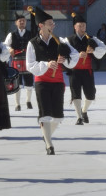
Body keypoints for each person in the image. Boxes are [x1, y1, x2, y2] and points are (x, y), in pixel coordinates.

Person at [26, 8, 73, 155]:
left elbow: (73, 57)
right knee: (45, 114)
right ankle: (49, 144)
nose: (53, 26)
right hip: (41, 82)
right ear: (41, 25)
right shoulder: (32, 43)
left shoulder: (60, 41)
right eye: (50, 23)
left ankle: (46, 135)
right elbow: (30, 65)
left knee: (58, 117)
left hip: (58, 81)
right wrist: (46, 64)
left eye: (53, 23)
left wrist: (64, 59)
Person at [63, 12, 105, 125]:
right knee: (76, 94)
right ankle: (79, 117)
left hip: (87, 70)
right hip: (74, 71)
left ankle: (84, 111)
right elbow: (65, 53)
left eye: (84, 25)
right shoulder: (68, 40)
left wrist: (94, 50)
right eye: (80, 25)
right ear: (75, 27)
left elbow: (103, 48)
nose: (82, 28)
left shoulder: (91, 38)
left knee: (91, 95)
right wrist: (77, 55)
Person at [4, 13, 37, 111]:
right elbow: (5, 45)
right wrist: (9, 49)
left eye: (24, 20)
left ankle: (28, 101)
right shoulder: (11, 34)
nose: (22, 22)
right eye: (20, 21)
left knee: (29, 82)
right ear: (16, 23)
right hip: (16, 61)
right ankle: (17, 104)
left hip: (28, 61)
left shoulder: (31, 33)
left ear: (26, 22)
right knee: (16, 82)